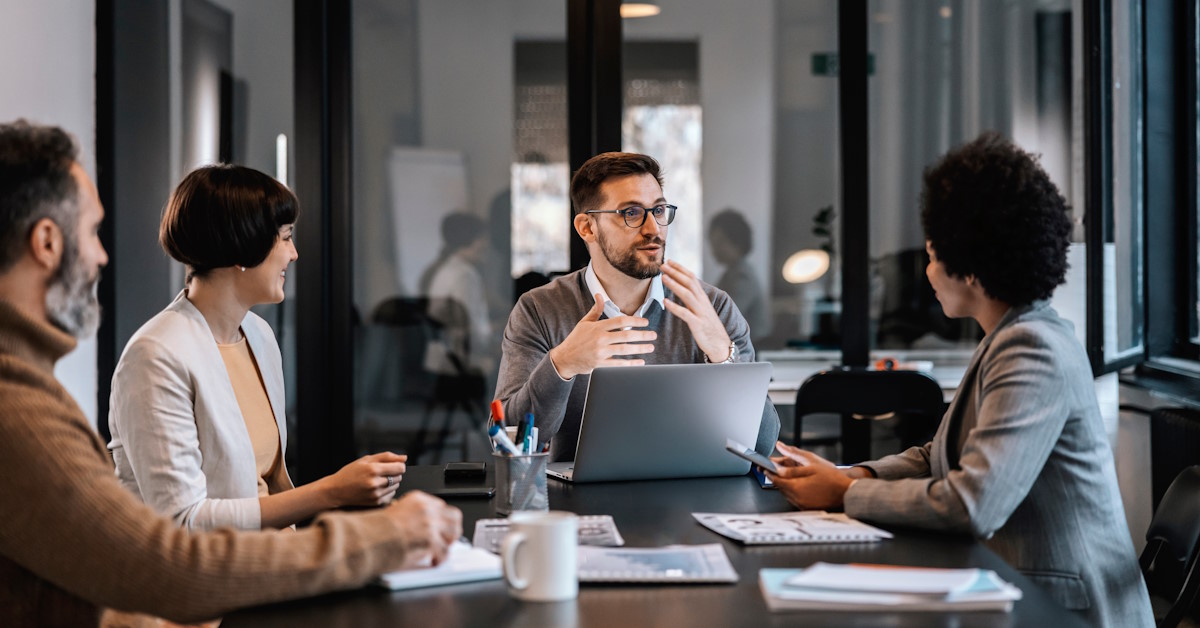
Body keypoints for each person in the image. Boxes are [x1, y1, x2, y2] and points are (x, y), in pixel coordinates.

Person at [0, 120, 461, 626]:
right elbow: (169, 557)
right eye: (91, 232)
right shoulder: (32, 403)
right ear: (46, 242)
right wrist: (371, 531)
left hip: (255, 584)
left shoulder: (258, 336)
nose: (102, 254)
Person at [764, 133, 1153, 627]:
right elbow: (939, 454)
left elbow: (973, 503)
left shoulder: (1031, 347)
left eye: (931, 255)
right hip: (1019, 590)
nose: (927, 272)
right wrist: (851, 475)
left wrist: (842, 494)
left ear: (968, 266)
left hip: (1066, 611)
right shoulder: (1007, 335)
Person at [107, 165, 408, 532]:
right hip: (208, 580)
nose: (294, 254)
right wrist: (332, 491)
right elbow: (184, 521)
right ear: (242, 248)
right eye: (285, 238)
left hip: (271, 560)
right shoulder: (154, 357)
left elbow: (266, 485)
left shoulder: (258, 334)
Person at [494, 152, 779, 461]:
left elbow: (761, 446)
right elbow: (508, 443)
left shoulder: (713, 308)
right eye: (631, 213)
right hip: (580, 502)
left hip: (692, 498)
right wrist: (562, 364)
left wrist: (722, 354)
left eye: (658, 210)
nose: (653, 228)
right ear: (587, 227)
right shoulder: (539, 309)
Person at [708, 208, 769, 339]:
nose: (714, 248)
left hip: (751, 351)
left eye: (720, 242)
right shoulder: (731, 272)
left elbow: (726, 317)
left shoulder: (743, 276)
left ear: (737, 242)